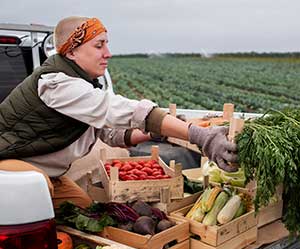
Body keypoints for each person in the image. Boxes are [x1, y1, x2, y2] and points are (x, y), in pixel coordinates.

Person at [0, 16, 237, 209]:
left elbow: (109, 133)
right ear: (71, 52)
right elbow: (114, 109)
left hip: (47, 173)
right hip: (9, 165)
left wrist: (155, 133)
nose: (108, 53)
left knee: (82, 209)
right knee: (36, 189)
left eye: (107, 44)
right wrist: (200, 136)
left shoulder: (82, 84)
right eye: (99, 45)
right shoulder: (56, 84)